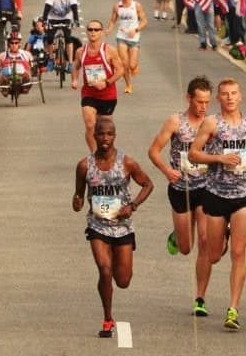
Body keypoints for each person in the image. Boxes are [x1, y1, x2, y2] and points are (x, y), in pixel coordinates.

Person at [187, 78, 246, 331]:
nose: (230, 98)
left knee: (238, 253)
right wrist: (219, 158)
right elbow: (193, 153)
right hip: (216, 194)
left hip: (243, 194)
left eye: (234, 93)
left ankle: (233, 309)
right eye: (225, 94)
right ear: (219, 98)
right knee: (213, 255)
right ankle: (223, 233)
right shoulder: (212, 123)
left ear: (240, 96)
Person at [73, 117, 154, 338]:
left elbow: (148, 184)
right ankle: (108, 318)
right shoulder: (84, 166)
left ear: (114, 136)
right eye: (101, 133)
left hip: (123, 227)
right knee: (104, 269)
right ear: (94, 136)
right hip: (97, 225)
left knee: (123, 280)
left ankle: (112, 283)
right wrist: (77, 202)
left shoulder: (127, 163)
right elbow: (78, 195)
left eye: (109, 134)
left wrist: (132, 206)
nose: (105, 138)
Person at [146, 76, 213, 310]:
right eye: (199, 101)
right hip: (180, 187)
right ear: (189, 98)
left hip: (205, 187)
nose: (203, 107)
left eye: (207, 102)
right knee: (186, 248)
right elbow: (153, 151)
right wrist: (167, 170)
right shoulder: (176, 121)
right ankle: (177, 235)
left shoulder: (212, 124)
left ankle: (200, 298)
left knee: (205, 241)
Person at [74, 20, 125, 153]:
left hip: (107, 95)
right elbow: (76, 67)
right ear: (87, 32)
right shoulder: (80, 51)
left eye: (96, 30)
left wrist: (106, 82)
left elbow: (120, 70)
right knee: (90, 124)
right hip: (89, 93)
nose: (93, 32)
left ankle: (106, 153)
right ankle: (94, 154)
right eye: (90, 29)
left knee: (105, 130)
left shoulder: (110, 50)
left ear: (101, 32)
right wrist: (74, 80)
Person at [107, 0, 147, 95]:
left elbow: (144, 21)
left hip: (134, 37)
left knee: (132, 65)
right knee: (124, 63)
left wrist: (136, 30)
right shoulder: (117, 6)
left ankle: (134, 67)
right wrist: (109, 29)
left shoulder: (136, 5)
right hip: (122, 37)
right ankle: (128, 85)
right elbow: (113, 20)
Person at [41, 0, 82, 70]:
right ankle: (51, 59)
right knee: (50, 37)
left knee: (68, 38)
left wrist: (76, 20)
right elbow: (46, 9)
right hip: (53, 18)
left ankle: (70, 63)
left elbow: (74, 9)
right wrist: (45, 21)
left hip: (66, 18)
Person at [0, 30, 34, 97]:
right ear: (8, 44)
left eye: (16, 43)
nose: (14, 45)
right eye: (12, 43)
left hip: (22, 76)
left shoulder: (27, 54)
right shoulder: (2, 55)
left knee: (26, 76)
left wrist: (35, 68)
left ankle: (25, 87)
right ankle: (5, 89)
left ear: (19, 43)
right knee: (3, 78)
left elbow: (33, 68)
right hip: (7, 76)